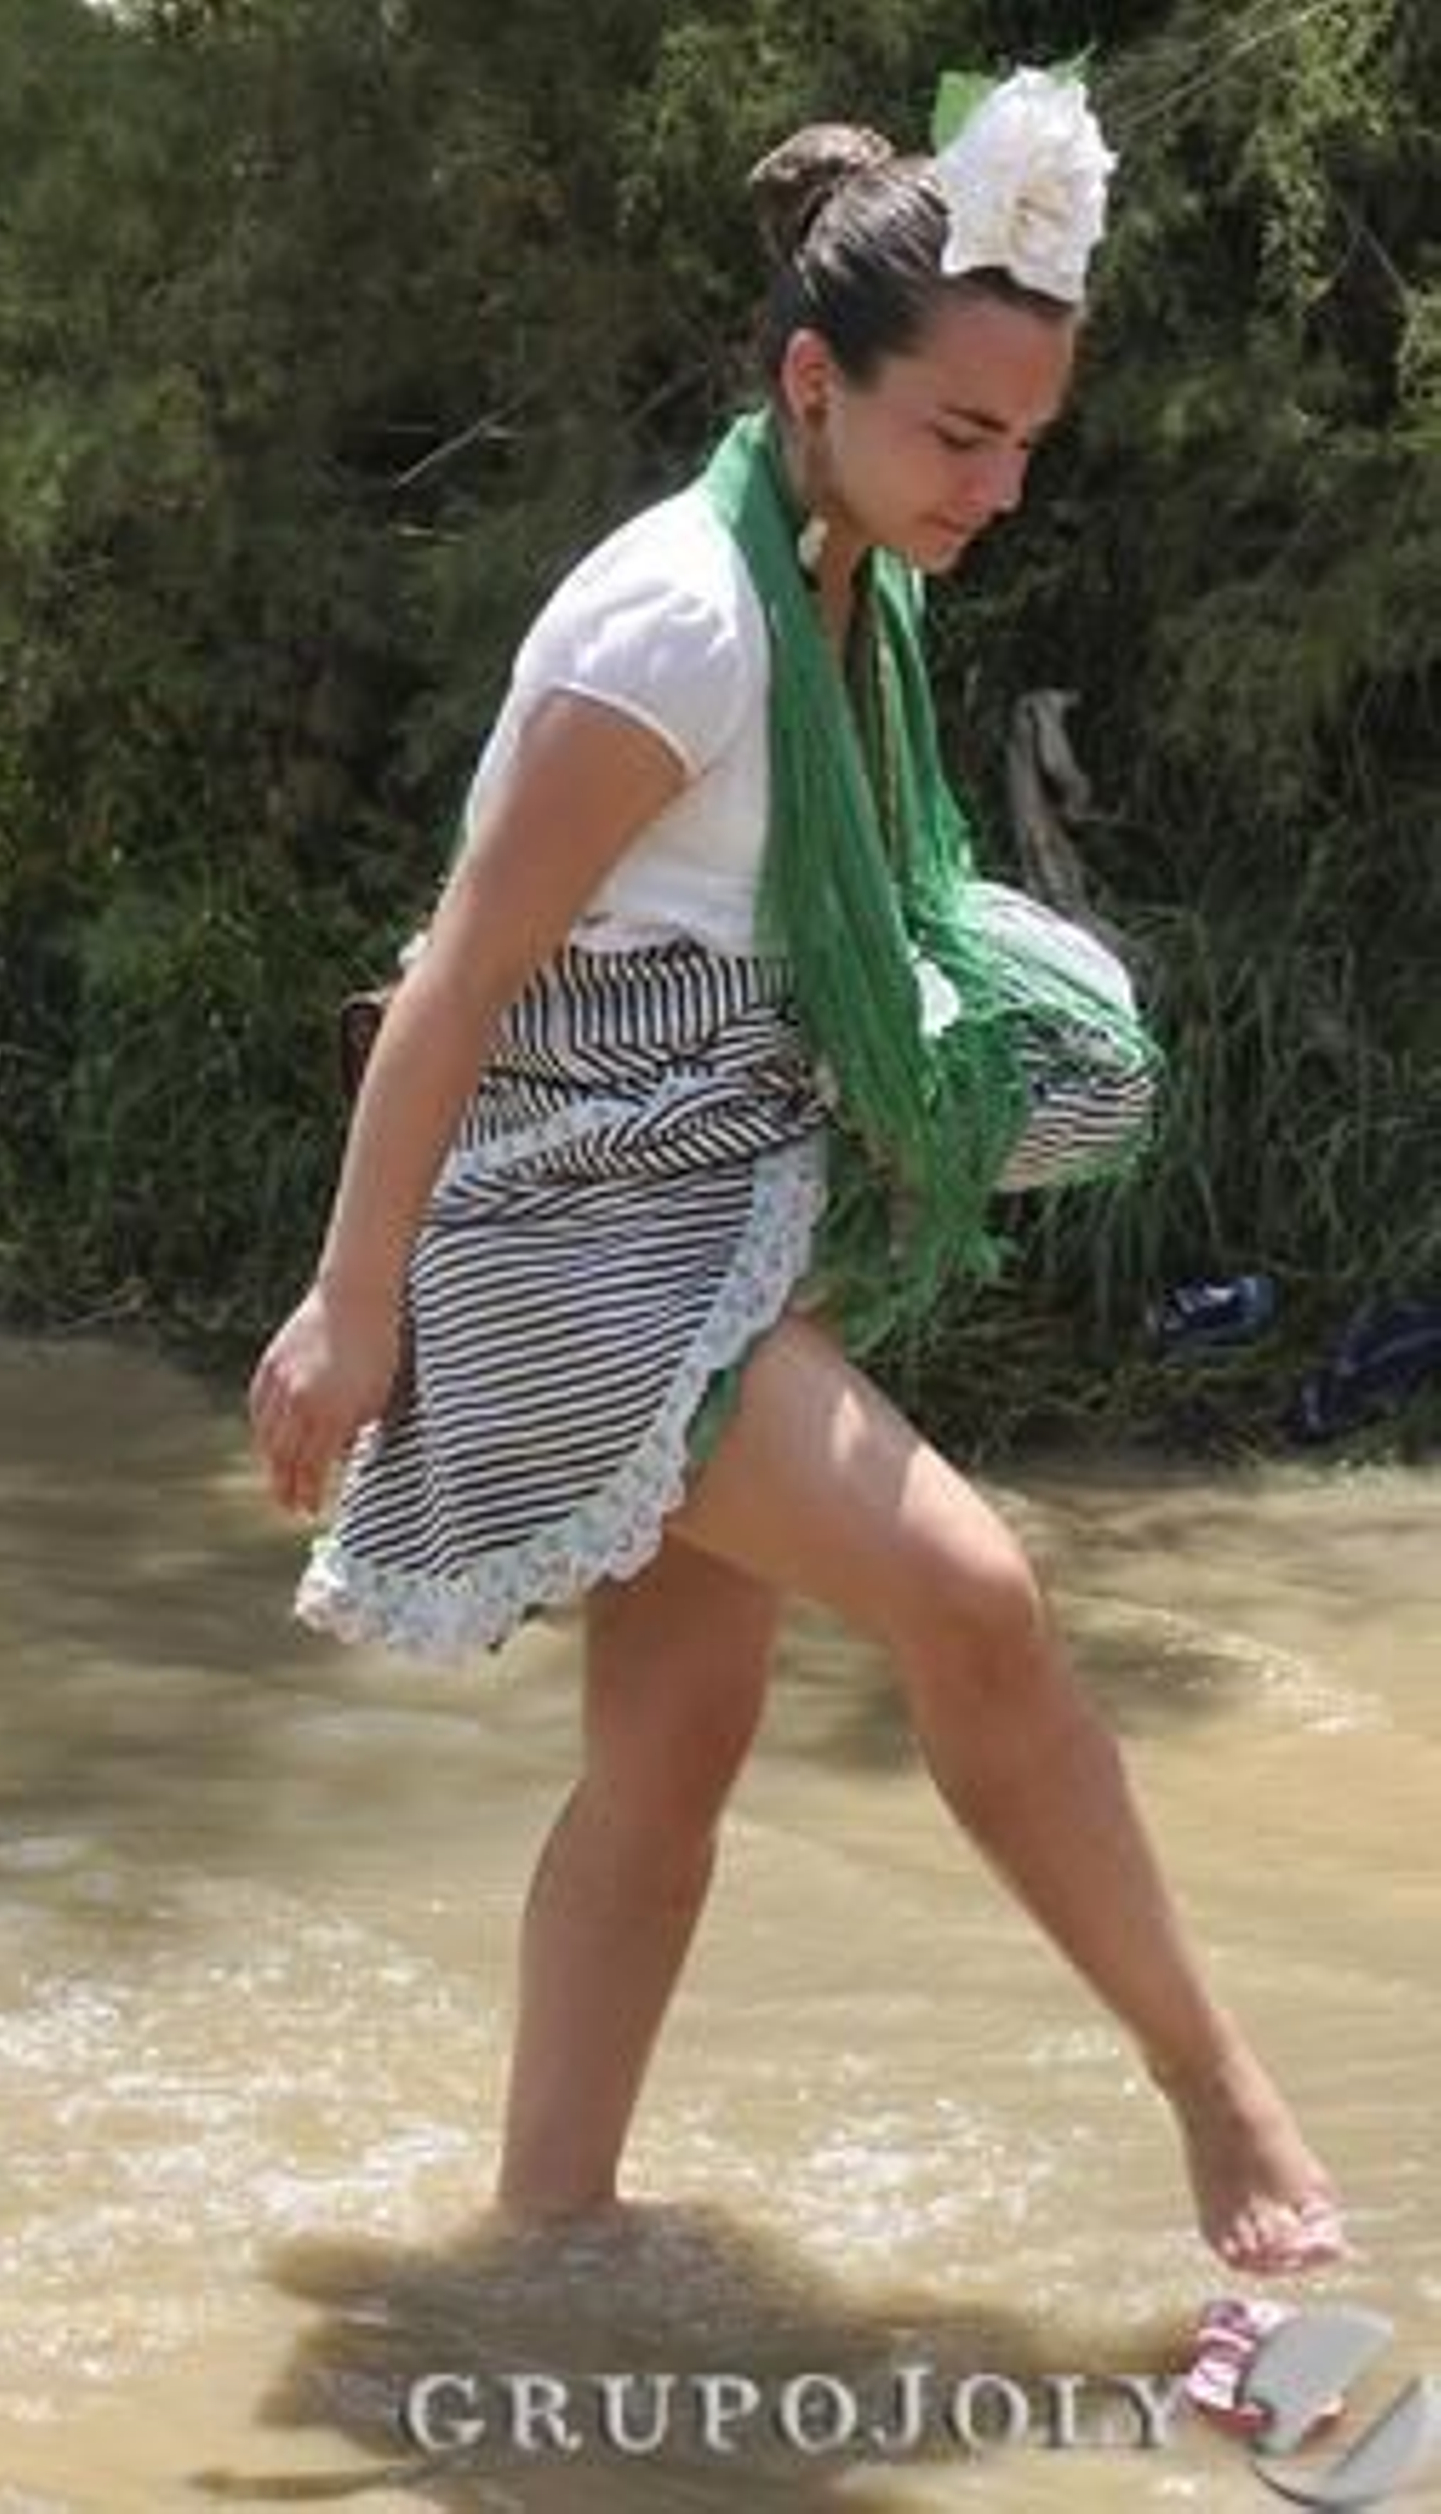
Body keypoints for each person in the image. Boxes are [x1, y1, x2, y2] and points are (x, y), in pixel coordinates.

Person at [250, 67, 1345, 2276]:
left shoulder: (847, 574)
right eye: (962, 435)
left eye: (1026, 444)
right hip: (573, 1227)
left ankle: (542, 2244)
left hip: (713, 1179)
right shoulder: (679, 621)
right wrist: (349, 1305)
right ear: (812, 384)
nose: (998, 489)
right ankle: (1218, 2100)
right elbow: (459, 981)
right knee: (976, 1598)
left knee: (673, 1748)